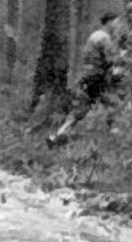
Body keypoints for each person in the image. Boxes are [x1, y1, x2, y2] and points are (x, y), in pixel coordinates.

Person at [47, 11, 122, 147]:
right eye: (116, 22)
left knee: (83, 109)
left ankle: (59, 135)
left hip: (89, 77)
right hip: (98, 78)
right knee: (112, 104)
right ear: (109, 22)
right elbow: (109, 60)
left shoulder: (95, 36)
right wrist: (117, 69)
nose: (117, 25)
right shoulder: (103, 37)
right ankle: (114, 139)